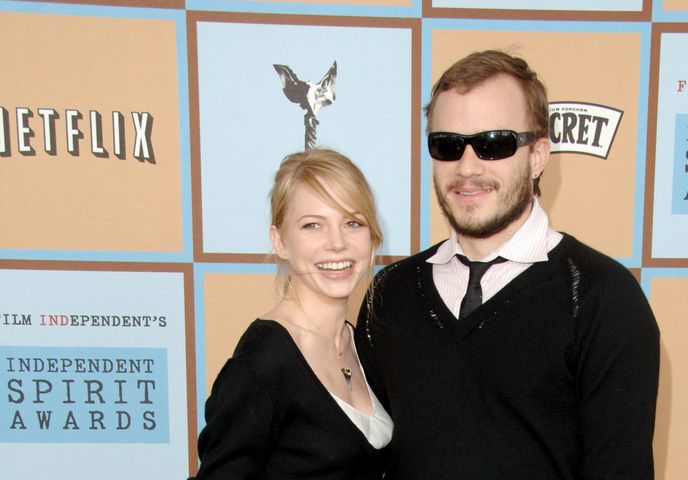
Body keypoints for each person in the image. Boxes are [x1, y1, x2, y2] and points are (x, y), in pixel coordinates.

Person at [355, 50, 660, 479]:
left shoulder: (601, 296)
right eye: (447, 145)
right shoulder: (391, 293)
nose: (467, 167)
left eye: (493, 144)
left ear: (538, 154)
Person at [193, 149, 392, 479]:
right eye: (313, 225)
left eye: (352, 223)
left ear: (371, 237)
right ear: (280, 241)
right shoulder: (262, 364)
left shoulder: (361, 344)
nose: (337, 242)